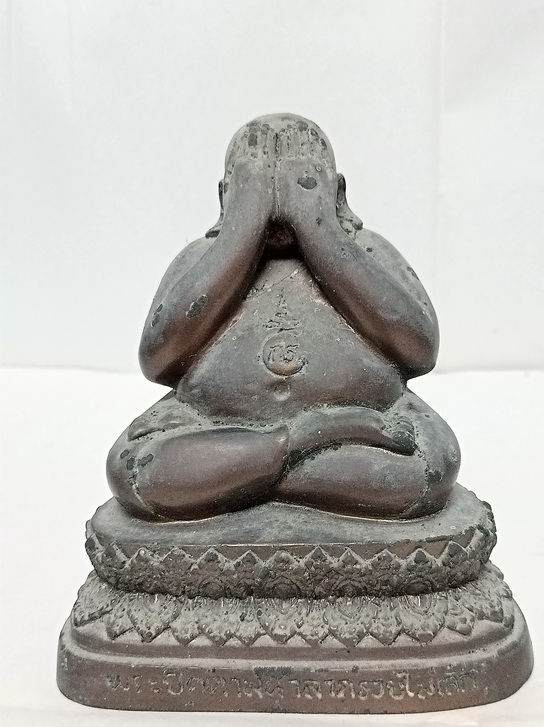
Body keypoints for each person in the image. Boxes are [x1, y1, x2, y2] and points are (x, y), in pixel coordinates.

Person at [107, 114, 460, 520]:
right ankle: (306, 442)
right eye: (255, 187)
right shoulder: (201, 258)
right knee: (133, 470)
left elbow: (419, 349)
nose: (278, 200)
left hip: (375, 419)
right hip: (216, 427)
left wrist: (319, 229)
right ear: (225, 196)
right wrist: (242, 230)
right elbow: (157, 359)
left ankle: (234, 483)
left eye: (303, 181)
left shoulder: (367, 250)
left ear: (337, 192)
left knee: (428, 468)